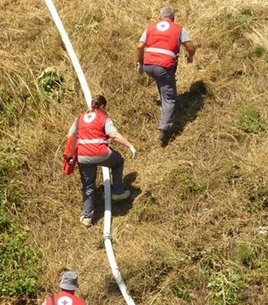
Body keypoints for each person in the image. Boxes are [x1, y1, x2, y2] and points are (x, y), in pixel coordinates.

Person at [66, 95, 137, 227]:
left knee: (88, 185)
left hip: (83, 156)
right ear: (103, 106)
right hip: (101, 153)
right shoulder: (104, 118)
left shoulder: (79, 118)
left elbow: (70, 135)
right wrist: (130, 146)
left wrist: (71, 155)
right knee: (118, 162)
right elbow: (114, 135)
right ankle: (117, 191)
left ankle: (87, 216)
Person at [136, 6, 196, 145]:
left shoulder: (150, 27)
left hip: (149, 66)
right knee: (169, 98)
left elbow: (139, 46)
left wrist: (140, 63)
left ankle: (163, 104)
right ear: (173, 18)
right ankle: (164, 130)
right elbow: (191, 47)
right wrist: (190, 57)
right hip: (164, 66)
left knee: (161, 82)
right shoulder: (178, 29)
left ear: (160, 17)